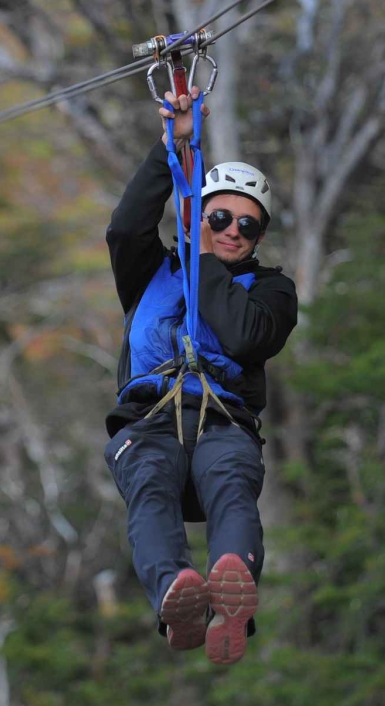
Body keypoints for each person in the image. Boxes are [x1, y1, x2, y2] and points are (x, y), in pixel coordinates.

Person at [103, 85, 299, 666]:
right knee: (150, 488)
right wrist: (171, 149)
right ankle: (175, 596)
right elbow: (125, 228)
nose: (234, 230)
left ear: (259, 237)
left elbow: (243, 337)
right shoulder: (149, 273)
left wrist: (205, 254)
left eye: (247, 225)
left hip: (223, 424)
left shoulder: (272, 292)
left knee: (231, 486)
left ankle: (232, 593)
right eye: (220, 217)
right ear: (198, 210)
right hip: (150, 420)